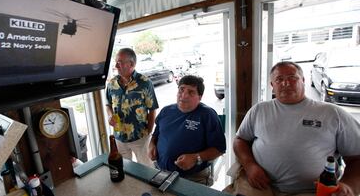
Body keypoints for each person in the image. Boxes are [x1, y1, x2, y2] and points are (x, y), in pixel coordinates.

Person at [225, 61, 360, 196]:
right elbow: (240, 140)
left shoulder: (332, 113)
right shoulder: (259, 110)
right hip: (260, 185)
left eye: (292, 78)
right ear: (272, 86)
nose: (286, 83)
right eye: (279, 79)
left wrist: (349, 185)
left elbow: (356, 158)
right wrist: (250, 166)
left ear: (303, 80)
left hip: (312, 190)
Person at [148, 75, 226, 186]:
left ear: (200, 97)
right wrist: (151, 145)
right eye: (181, 89)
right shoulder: (166, 111)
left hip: (194, 177)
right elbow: (156, 134)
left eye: (191, 92)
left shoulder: (207, 115)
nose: (184, 95)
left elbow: (220, 149)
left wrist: (196, 158)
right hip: (161, 171)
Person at [105, 48, 159, 166]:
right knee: (124, 169)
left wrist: (148, 133)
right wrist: (110, 116)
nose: (116, 66)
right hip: (119, 137)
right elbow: (108, 104)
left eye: (120, 62)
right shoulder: (111, 84)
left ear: (132, 64)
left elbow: (152, 109)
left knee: (147, 171)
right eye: (116, 62)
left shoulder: (145, 82)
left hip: (140, 137)